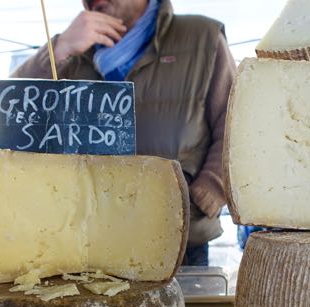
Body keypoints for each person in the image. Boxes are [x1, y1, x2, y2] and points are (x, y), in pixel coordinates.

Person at [13, 0, 236, 266]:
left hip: (179, 241)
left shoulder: (202, 36)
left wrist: (204, 195)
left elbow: (236, 126)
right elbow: (12, 111)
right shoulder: (74, 51)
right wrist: (59, 48)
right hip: (84, 244)